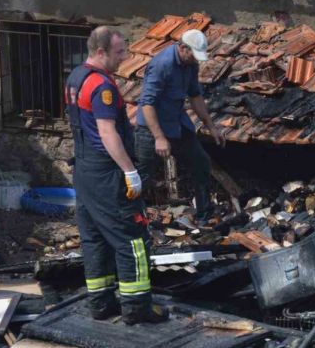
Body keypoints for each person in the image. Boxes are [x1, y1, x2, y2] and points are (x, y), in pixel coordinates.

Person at [65, 26, 168, 325]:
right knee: (132, 238)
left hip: (83, 171)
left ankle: (100, 304)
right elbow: (108, 133)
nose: (125, 57)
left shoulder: (76, 77)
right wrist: (130, 171)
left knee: (94, 238)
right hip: (106, 172)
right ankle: (137, 308)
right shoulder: (103, 88)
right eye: (119, 52)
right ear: (100, 52)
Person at [135, 29, 225, 221]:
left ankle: (204, 213)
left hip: (177, 122)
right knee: (143, 175)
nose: (195, 60)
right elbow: (147, 104)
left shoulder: (191, 64)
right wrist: (159, 138)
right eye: (193, 54)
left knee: (201, 162)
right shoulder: (162, 65)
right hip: (152, 128)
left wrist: (211, 126)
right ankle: (131, 219)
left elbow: (195, 95)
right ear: (182, 48)